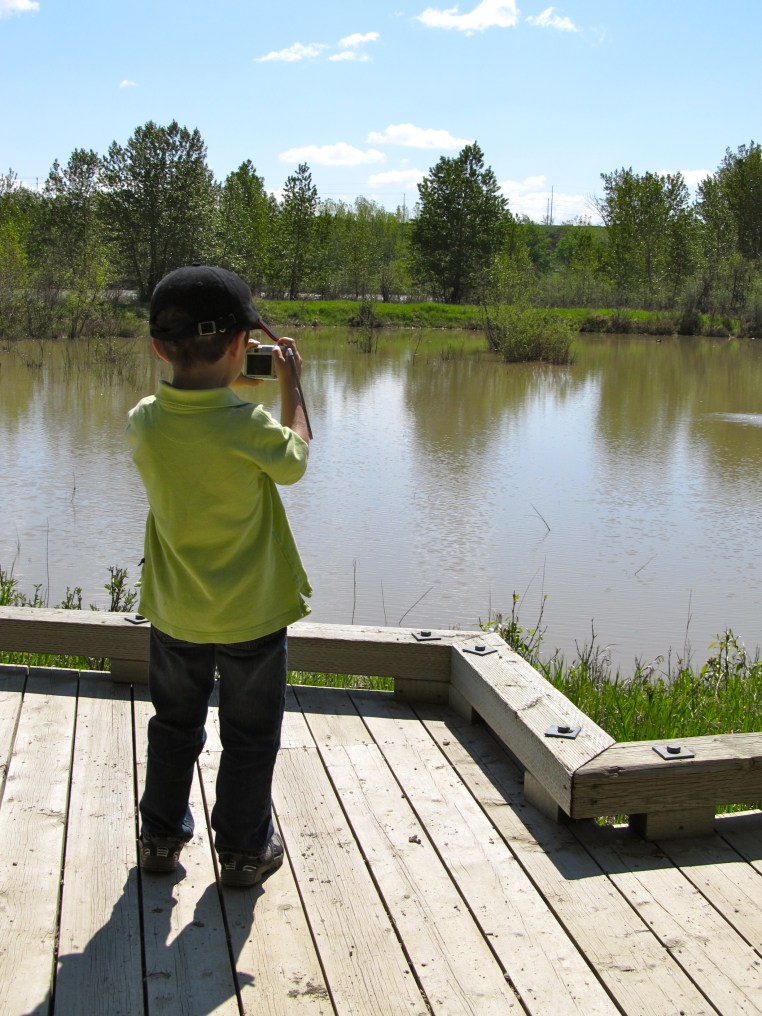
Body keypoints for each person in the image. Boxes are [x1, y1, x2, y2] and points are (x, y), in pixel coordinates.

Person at [127, 264, 311, 888]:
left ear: (159, 349)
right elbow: (295, 459)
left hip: (175, 610)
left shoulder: (144, 421)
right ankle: (242, 851)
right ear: (240, 345)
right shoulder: (250, 426)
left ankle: (159, 840)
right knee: (250, 736)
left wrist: (225, 380)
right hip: (252, 614)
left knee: (174, 726)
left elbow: (193, 424)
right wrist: (291, 386)